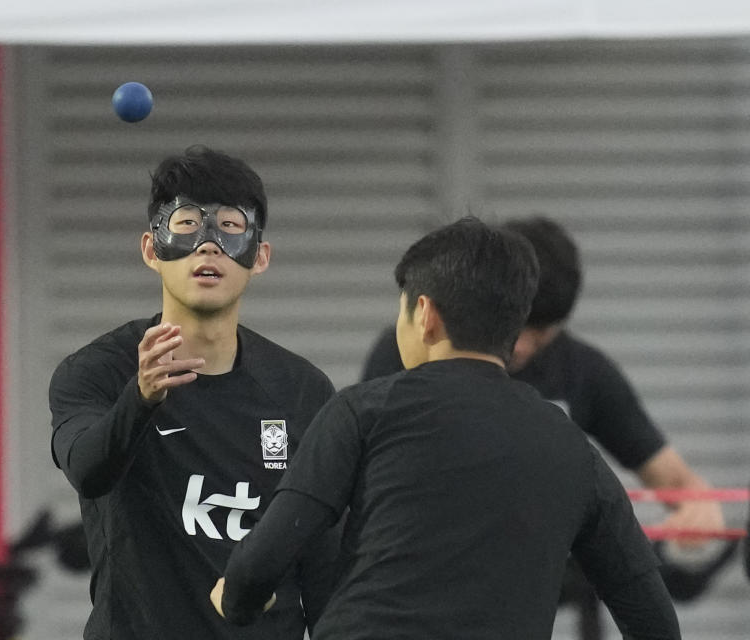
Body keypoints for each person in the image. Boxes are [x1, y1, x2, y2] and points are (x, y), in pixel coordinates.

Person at [211, 217, 681, 639]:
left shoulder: (361, 411)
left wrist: (238, 600)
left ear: (426, 315)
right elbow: (653, 618)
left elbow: (264, 558)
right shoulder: (574, 451)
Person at [49, 145, 337, 639]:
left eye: (230, 227)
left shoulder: (302, 390)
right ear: (150, 250)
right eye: (185, 224)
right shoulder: (98, 371)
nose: (208, 246)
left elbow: (324, 560)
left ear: (260, 256)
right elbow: (87, 469)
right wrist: (140, 399)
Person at [361, 216, 725, 543]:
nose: (520, 345)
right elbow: (362, 475)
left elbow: (677, 482)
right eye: (518, 323)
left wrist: (698, 508)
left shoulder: (584, 371)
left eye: (540, 332)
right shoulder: (406, 350)